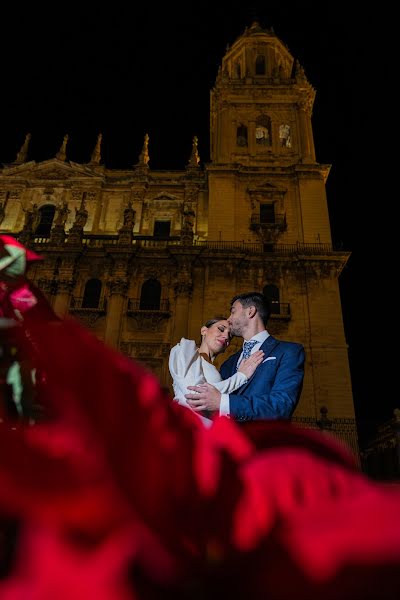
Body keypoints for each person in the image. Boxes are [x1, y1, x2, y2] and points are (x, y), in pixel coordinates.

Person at [185, 292, 305, 422]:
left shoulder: (288, 351)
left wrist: (224, 402)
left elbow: (281, 406)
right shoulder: (228, 364)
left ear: (250, 311)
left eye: (233, 312)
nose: (229, 320)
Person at [169, 317, 264, 425]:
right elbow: (195, 395)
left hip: (206, 433)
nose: (226, 336)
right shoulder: (185, 350)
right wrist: (241, 376)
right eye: (221, 329)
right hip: (186, 428)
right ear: (204, 330)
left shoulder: (218, 370)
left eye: (230, 335)